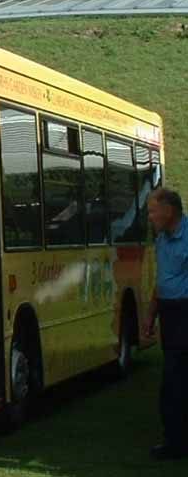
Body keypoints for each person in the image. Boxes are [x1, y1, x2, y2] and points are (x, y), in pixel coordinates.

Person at [143, 188, 188, 460]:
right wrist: (151, 314)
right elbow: (162, 282)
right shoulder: (161, 239)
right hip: (170, 314)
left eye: (152, 211)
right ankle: (174, 440)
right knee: (173, 379)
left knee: (176, 377)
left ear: (169, 210)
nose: (150, 217)